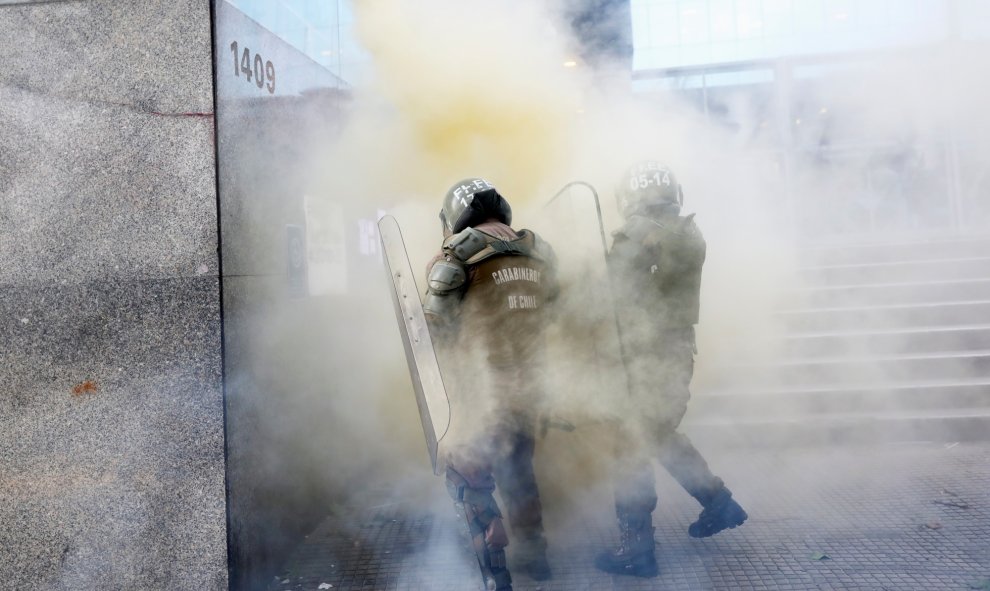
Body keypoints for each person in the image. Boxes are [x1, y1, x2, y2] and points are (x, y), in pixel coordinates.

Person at [594, 161, 748, 578]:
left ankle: (637, 551)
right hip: (677, 352)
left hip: (641, 355)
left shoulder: (634, 238)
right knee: (660, 434)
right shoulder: (689, 233)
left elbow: (609, 293)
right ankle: (718, 502)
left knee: (630, 448)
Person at [423, 178, 559, 591]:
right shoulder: (538, 251)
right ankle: (537, 558)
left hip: (482, 389)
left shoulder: (456, 256)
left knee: (469, 476)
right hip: (531, 385)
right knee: (519, 468)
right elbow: (550, 311)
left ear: (455, 213)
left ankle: (495, 572)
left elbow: (434, 326)